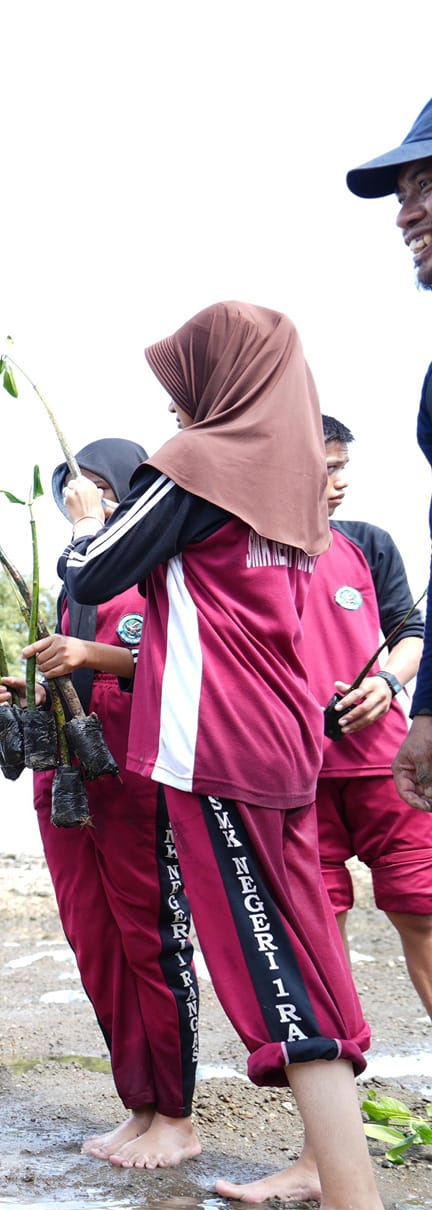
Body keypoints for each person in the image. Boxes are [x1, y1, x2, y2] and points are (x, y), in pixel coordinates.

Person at [60, 300, 401, 1210]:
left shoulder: (204, 464)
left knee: (274, 967)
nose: (179, 405)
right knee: (304, 953)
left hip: (222, 749)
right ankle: (335, 1185)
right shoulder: (287, 478)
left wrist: (90, 514)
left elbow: (93, 572)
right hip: (279, 742)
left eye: (189, 381)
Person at [0, 438, 200, 1169]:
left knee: (151, 940)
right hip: (67, 776)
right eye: (73, 494)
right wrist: (33, 691)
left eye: (98, 490)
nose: (83, 503)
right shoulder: (71, 582)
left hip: (134, 776)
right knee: (95, 943)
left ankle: (178, 1114)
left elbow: (180, 664)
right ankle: (138, 1106)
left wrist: (91, 657)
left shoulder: (156, 563)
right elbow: (70, 670)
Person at [304, 417, 432, 1021]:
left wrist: (385, 681)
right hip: (296, 779)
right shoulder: (240, 556)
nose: (340, 482)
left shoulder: (367, 543)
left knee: (423, 916)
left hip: (386, 764)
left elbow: (411, 630)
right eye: (327, 468)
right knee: (320, 936)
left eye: (342, 467)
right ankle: (342, 1099)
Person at [346, 105, 432, 838]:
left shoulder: (366, 548)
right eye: (404, 193)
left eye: (427, 183)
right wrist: (427, 708)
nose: (407, 214)